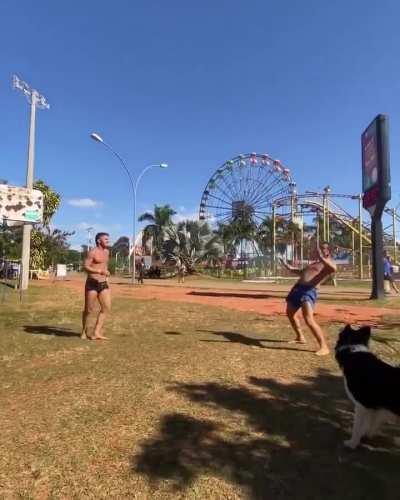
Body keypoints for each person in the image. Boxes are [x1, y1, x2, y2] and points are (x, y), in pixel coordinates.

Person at [280, 242, 337, 356]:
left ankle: (324, 347)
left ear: (329, 251)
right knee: (290, 313)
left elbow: (334, 269)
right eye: (320, 248)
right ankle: (300, 337)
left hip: (308, 291)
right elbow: (302, 272)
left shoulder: (328, 263)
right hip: (297, 289)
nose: (320, 250)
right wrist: (288, 266)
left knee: (308, 319)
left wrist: (321, 257)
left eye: (323, 248)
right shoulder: (314, 263)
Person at [81, 232, 111, 340]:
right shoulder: (92, 252)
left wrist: (106, 274)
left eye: (108, 239)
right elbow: (85, 266)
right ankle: (84, 331)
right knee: (88, 310)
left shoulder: (107, 252)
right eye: (106, 239)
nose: (108, 241)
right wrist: (99, 271)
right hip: (92, 283)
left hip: (103, 283)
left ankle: (96, 332)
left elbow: (104, 265)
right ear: (99, 240)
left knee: (106, 308)